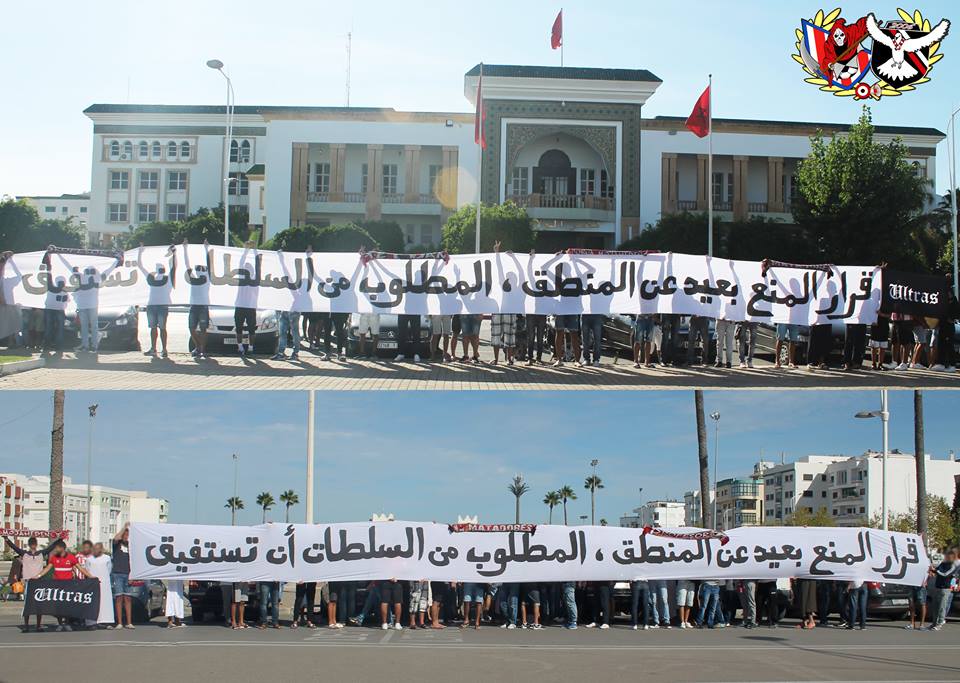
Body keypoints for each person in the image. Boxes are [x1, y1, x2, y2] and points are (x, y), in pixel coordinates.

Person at [39, 540, 93, 631]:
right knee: (58, 606)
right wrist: (38, 576)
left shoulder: (71, 557)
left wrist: (91, 577)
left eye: (57, 548)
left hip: (68, 585)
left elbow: (81, 569)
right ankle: (60, 624)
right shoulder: (54, 558)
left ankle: (67, 623)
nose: (55, 549)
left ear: (62, 548)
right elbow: (47, 568)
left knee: (68, 605)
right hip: (57, 585)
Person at [5, 535, 56, 632]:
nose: (33, 546)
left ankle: (38, 625)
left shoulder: (41, 553)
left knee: (39, 605)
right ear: (30, 545)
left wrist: (60, 539)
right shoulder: (24, 553)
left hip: (39, 582)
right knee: (27, 605)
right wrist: (6, 539)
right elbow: (14, 547)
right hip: (28, 582)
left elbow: (51, 547)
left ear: (36, 545)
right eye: (32, 544)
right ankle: (26, 625)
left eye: (34, 544)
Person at [110, 523, 136, 629]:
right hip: (117, 574)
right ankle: (119, 622)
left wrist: (132, 575)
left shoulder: (131, 547)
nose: (126, 537)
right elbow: (116, 538)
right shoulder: (117, 544)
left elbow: (134, 562)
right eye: (125, 535)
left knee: (128, 598)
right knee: (119, 598)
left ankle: (129, 622)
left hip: (128, 574)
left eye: (128, 535)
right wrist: (124, 528)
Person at [83, 543, 114, 628]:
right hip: (93, 583)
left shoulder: (107, 558)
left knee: (105, 602)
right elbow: (87, 570)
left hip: (105, 583)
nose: (96, 550)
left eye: (97, 549)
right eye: (94, 549)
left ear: (101, 549)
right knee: (93, 601)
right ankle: (92, 622)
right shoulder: (89, 559)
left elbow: (109, 569)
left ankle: (106, 621)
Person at [929, 548, 960, 630]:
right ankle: (934, 623)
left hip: (945, 588)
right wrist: (932, 570)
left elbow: (946, 574)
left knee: (942, 607)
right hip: (937, 586)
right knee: (935, 607)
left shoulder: (953, 565)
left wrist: (935, 571)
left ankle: (939, 623)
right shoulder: (943, 563)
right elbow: (937, 570)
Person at [73, 266, 100, 354]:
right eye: (87, 272)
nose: (89, 274)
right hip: (83, 307)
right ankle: (86, 345)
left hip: (91, 306)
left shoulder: (96, 281)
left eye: (91, 271)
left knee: (92, 326)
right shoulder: (82, 281)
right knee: (85, 327)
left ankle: (93, 346)